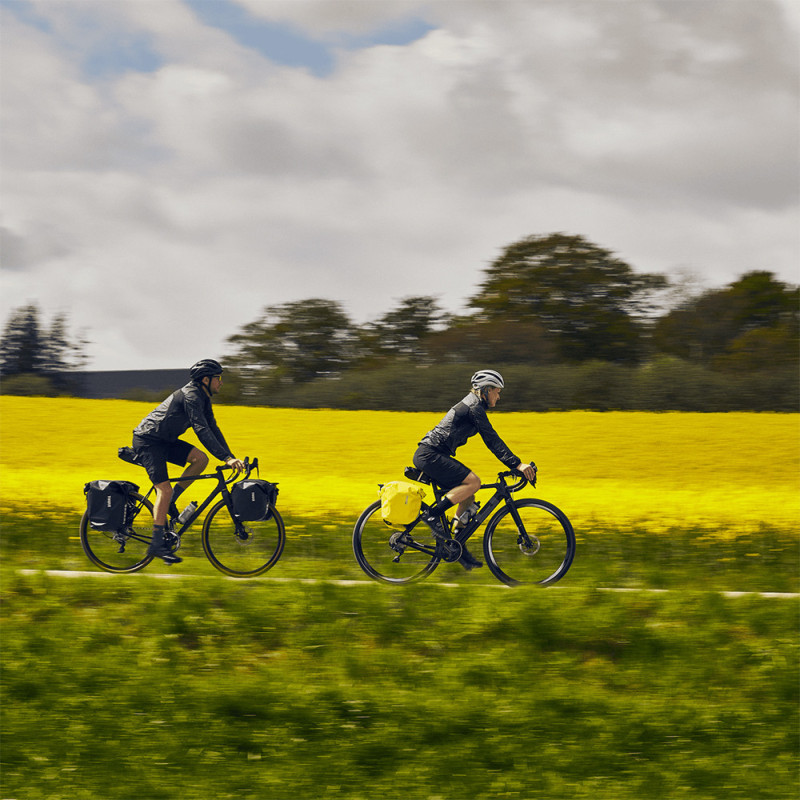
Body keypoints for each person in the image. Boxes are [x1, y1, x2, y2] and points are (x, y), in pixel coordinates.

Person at [412, 369, 537, 570]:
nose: (499, 396)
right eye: (497, 391)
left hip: (434, 455)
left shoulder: (474, 405)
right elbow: (491, 438)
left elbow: (491, 439)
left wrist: (514, 463)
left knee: (468, 493)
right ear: (485, 390)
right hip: (429, 455)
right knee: (473, 482)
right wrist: (516, 464)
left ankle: (457, 545)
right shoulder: (473, 407)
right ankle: (432, 515)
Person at [131, 359, 245, 564]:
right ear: (206, 379)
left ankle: (170, 502)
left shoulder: (203, 397)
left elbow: (213, 429)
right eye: (218, 378)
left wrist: (230, 456)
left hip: (165, 441)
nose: (221, 382)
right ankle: (155, 545)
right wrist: (226, 459)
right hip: (148, 441)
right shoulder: (192, 396)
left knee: (200, 459)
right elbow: (201, 429)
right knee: (163, 490)